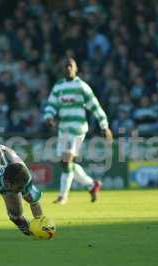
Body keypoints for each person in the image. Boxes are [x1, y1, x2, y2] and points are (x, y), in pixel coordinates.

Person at [43, 57, 113, 204]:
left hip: (77, 128)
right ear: (63, 69)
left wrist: (104, 125)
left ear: (76, 68)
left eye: (71, 66)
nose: (68, 68)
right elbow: (51, 105)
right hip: (63, 129)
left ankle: (63, 196)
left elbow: (95, 106)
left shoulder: (82, 86)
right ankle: (92, 184)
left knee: (67, 159)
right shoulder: (59, 87)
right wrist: (49, 117)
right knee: (66, 164)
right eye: (66, 66)